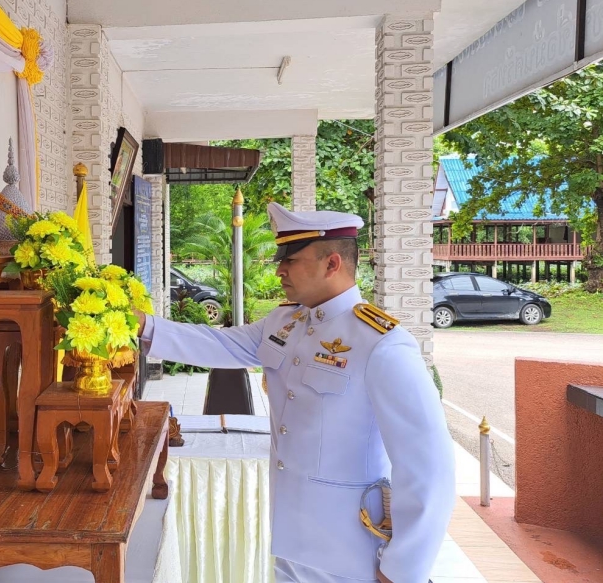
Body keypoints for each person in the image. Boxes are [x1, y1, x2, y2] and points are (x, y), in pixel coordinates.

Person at [136, 202, 455, 583]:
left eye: (290, 260)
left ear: (332, 264)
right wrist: (139, 324)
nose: (279, 270)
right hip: (291, 539)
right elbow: (218, 344)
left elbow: (428, 465)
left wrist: (403, 569)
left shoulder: (381, 344)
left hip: (352, 551)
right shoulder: (285, 322)